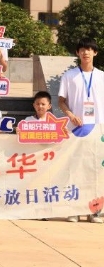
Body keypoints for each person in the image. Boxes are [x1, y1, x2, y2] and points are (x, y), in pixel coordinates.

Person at [59, 40, 104, 225]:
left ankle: (95, 211)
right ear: (77, 53)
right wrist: (70, 115)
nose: (86, 52)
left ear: (95, 53)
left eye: (90, 49)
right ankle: (74, 210)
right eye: (83, 49)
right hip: (75, 130)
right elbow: (61, 101)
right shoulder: (69, 75)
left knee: (95, 171)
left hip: (98, 130)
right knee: (75, 170)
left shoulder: (102, 76)